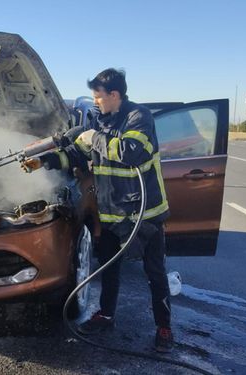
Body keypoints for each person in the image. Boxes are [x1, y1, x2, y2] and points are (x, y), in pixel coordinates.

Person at [22, 68, 173, 353]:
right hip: (113, 215)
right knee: (109, 269)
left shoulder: (139, 118)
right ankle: (106, 315)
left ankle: (163, 327)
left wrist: (93, 138)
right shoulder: (98, 123)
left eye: (99, 97)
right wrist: (46, 162)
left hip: (145, 215)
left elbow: (131, 152)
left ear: (114, 95)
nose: (96, 103)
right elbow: (75, 156)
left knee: (155, 273)